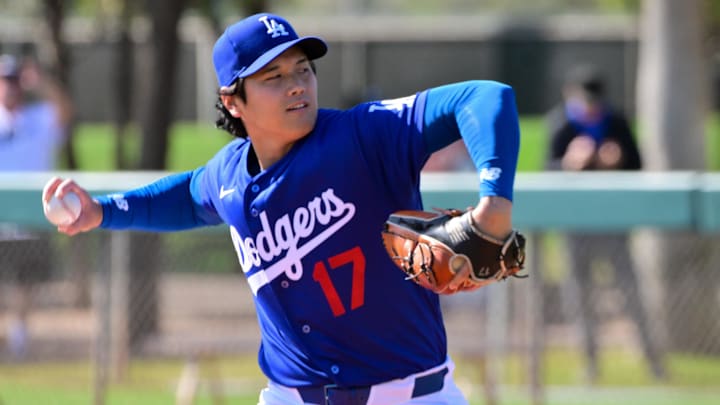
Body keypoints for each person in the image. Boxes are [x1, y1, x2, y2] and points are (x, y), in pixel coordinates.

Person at [43, 13, 521, 404]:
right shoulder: (228, 175)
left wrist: (494, 202)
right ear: (233, 102)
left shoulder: (365, 135)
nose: (296, 85)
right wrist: (101, 211)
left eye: (302, 70)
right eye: (273, 77)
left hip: (412, 396)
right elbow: (187, 197)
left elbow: (485, 96)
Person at [546, 65, 666, 382]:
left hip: (613, 223)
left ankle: (654, 363)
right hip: (575, 226)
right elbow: (547, 171)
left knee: (631, 291)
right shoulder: (561, 124)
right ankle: (590, 365)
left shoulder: (616, 121)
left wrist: (618, 161)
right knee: (580, 295)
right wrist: (569, 164)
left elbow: (638, 165)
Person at [0, 53, 71, 360]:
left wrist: (41, 84)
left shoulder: (38, 119)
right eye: (5, 82)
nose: (11, 88)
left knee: (25, 282)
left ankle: (18, 335)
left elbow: (66, 111)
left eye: (15, 82)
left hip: (30, 218)